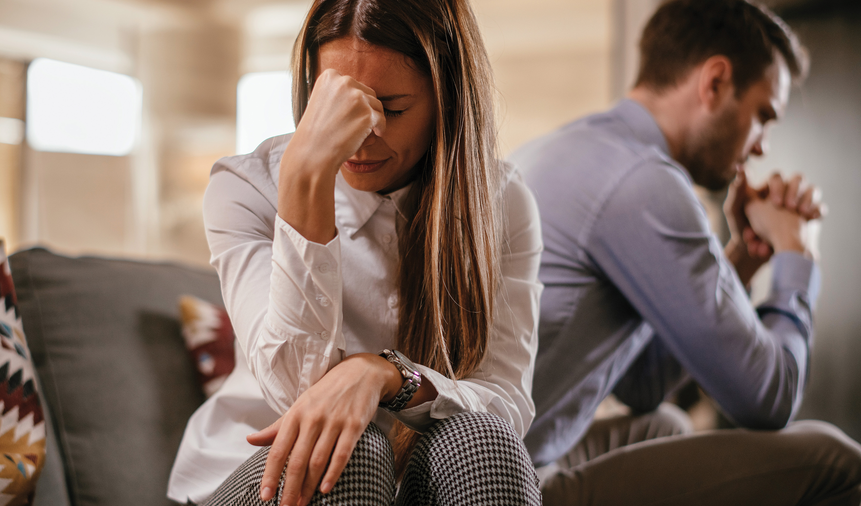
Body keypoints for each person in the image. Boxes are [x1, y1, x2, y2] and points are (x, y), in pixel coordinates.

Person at [167, 0, 544, 505]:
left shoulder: (501, 202)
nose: (361, 139)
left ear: (445, 99)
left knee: (486, 440)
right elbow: (295, 393)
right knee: (348, 452)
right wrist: (306, 175)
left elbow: (507, 403)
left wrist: (385, 374)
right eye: (340, 104)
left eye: (390, 109)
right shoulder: (247, 187)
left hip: (404, 486)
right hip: (244, 476)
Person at [510, 0, 861, 504]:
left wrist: (744, 257)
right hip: (500, 481)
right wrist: (796, 254)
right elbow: (769, 399)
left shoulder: (576, 148)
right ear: (715, 82)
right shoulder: (645, 183)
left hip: (489, 452)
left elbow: (642, 386)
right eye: (763, 116)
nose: (761, 146)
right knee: (839, 460)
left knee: (664, 424)